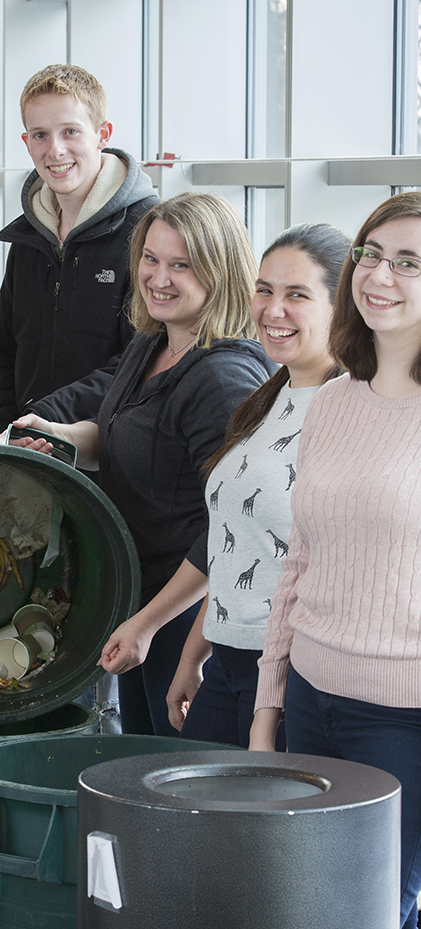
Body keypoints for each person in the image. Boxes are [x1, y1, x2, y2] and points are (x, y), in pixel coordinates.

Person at [250, 192, 421, 929]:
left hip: (405, 717)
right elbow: (300, 558)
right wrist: (270, 698)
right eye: (373, 254)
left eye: (409, 262)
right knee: (315, 918)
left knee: (377, 924)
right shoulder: (337, 402)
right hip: (314, 696)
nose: (380, 276)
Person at [13, 193, 272, 734]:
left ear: (220, 272)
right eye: (151, 259)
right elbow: (123, 436)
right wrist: (57, 436)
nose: (159, 278)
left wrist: (150, 625)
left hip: (181, 617)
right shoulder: (153, 341)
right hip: (137, 598)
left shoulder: (222, 379)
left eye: (181, 265)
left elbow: (228, 527)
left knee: (175, 781)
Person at [163, 223, 349, 746]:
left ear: (341, 307)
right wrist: (193, 655)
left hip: (291, 674)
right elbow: (237, 545)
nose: (273, 309)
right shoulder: (267, 397)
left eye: (297, 295)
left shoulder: (348, 408)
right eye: (264, 290)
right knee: (192, 818)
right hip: (227, 660)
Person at [0, 63, 157, 436]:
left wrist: (39, 420)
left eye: (70, 131)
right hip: (30, 450)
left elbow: (141, 362)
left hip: (110, 454)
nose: (55, 150)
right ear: (26, 142)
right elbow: (3, 363)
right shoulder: (30, 236)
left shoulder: (148, 231)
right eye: (40, 135)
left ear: (102, 134)